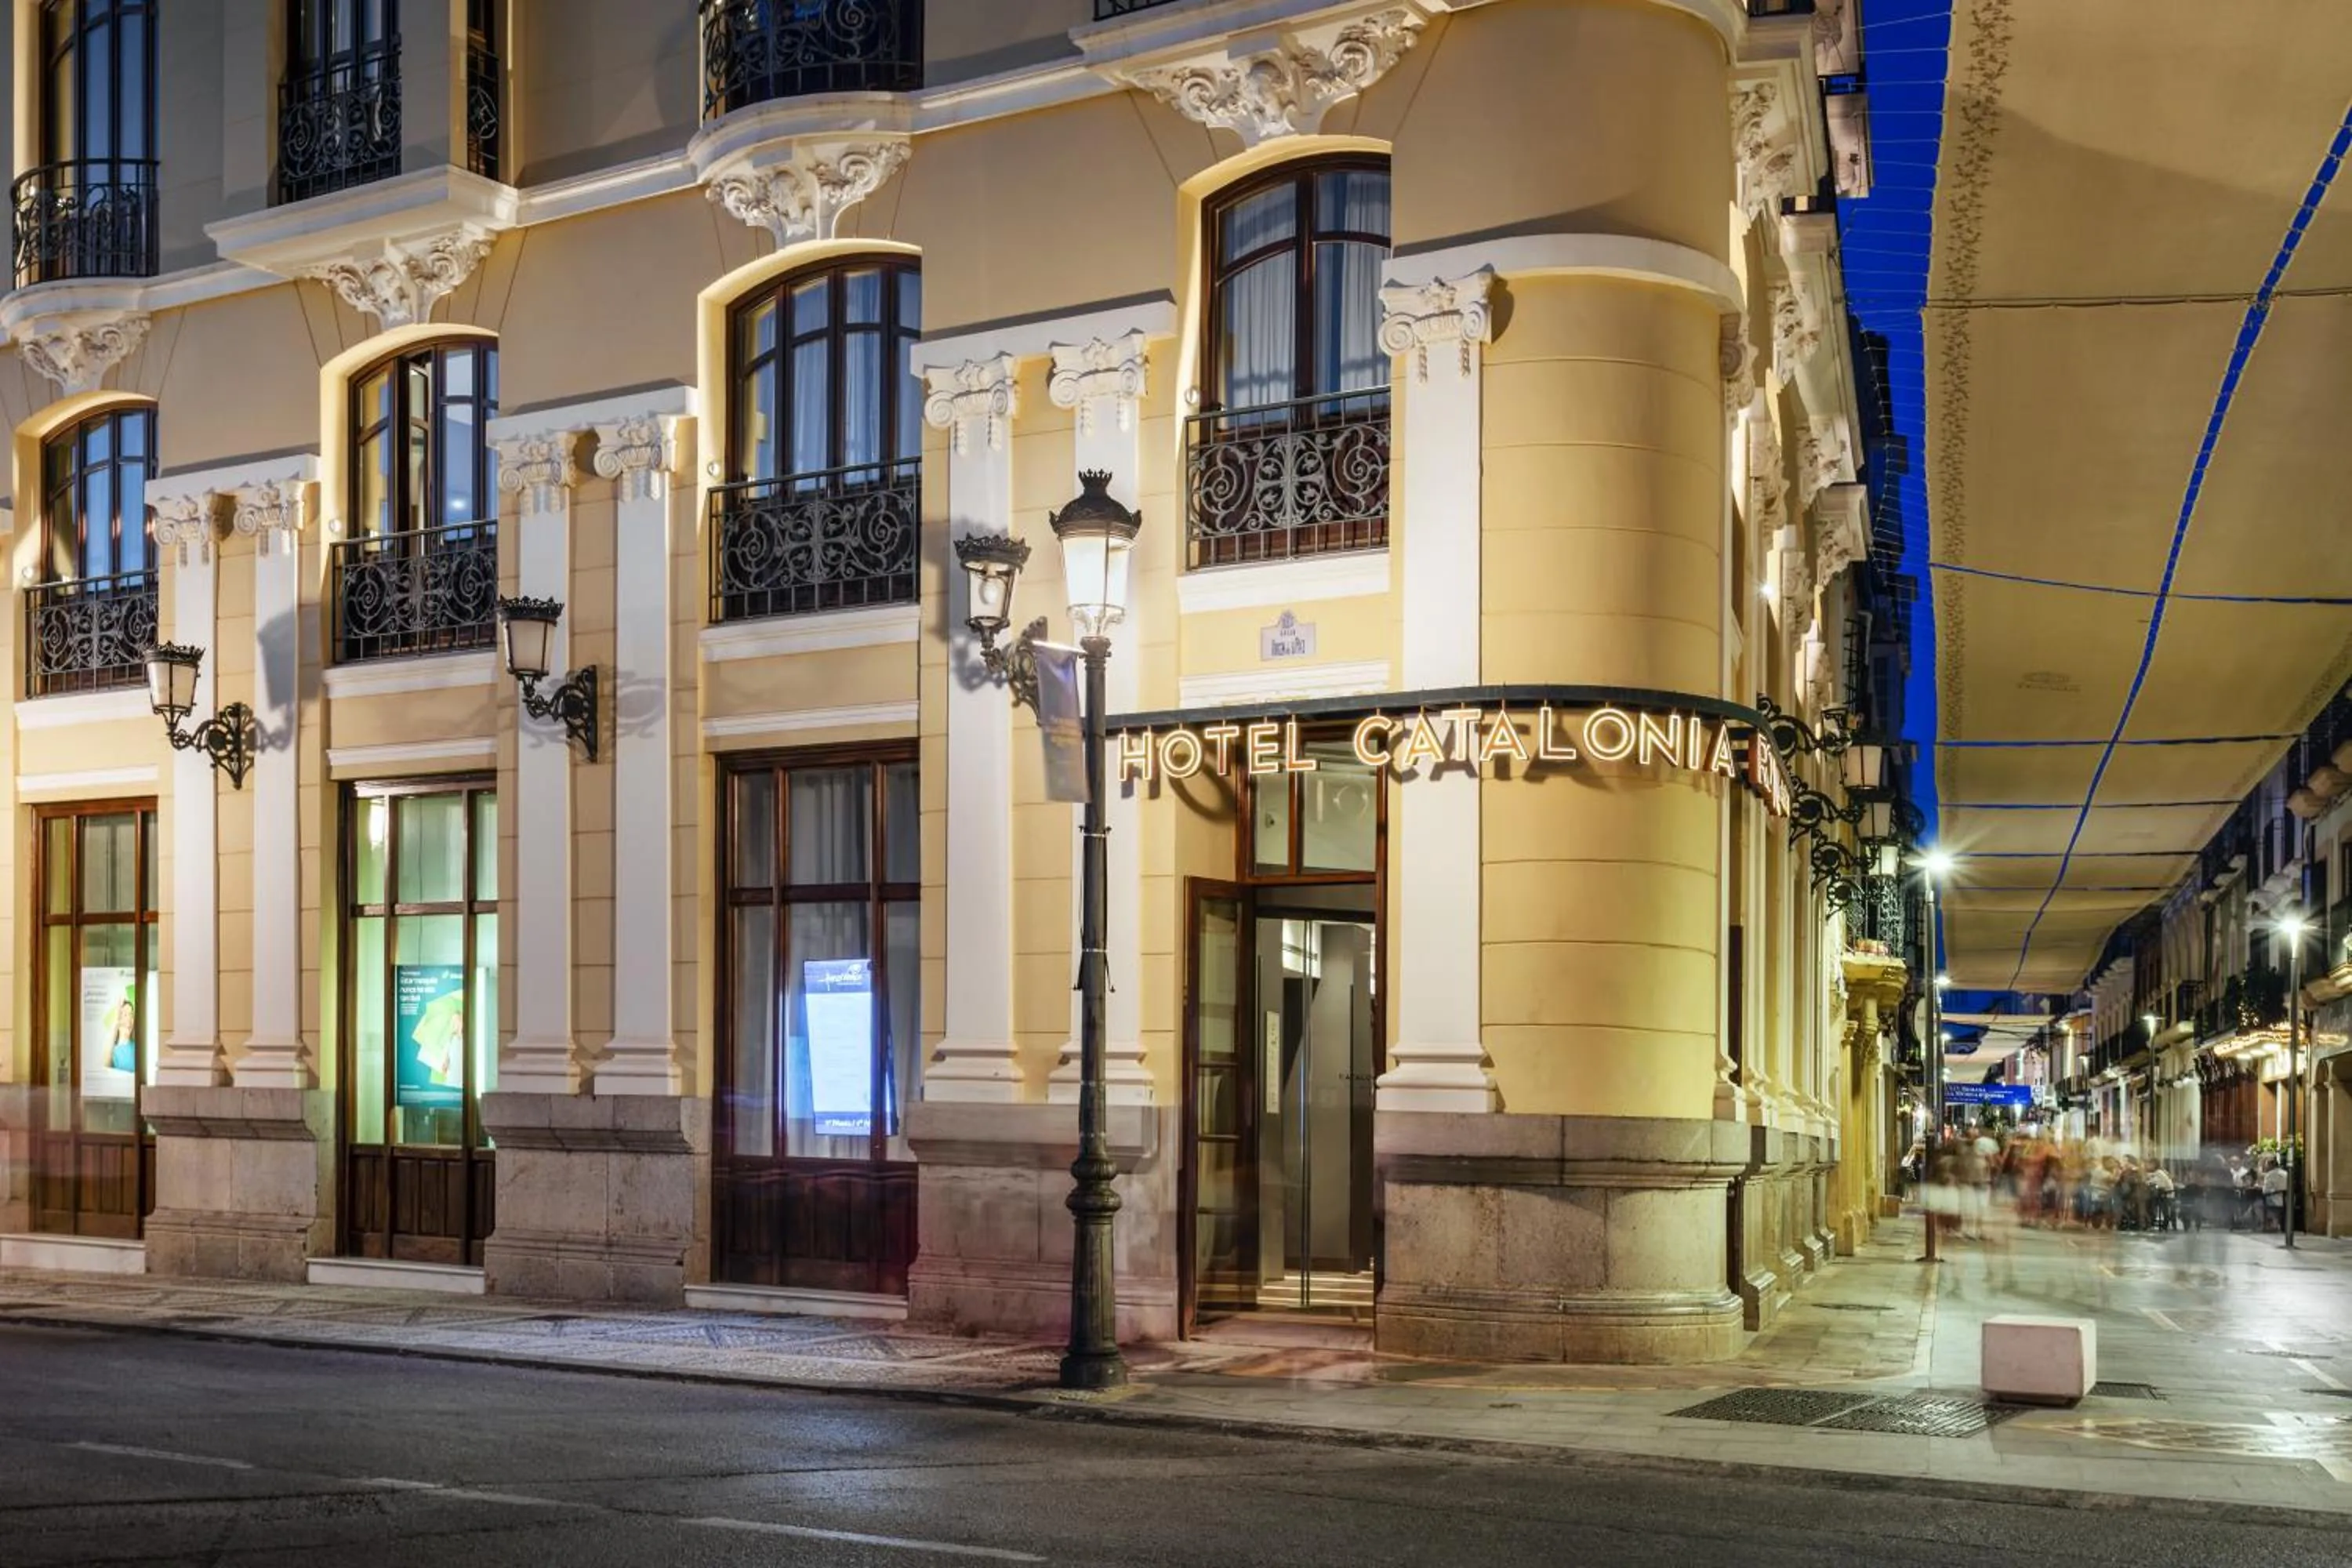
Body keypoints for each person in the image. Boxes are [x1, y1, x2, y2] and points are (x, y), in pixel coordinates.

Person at [2260, 1154, 2289, 1232]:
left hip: (2275, 1200)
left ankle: (2270, 1224)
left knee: (2257, 1204)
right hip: (2288, 1200)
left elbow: (2265, 1191)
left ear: (2270, 1165)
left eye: (2266, 1165)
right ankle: (2275, 1223)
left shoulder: (2270, 1175)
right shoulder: (2285, 1173)